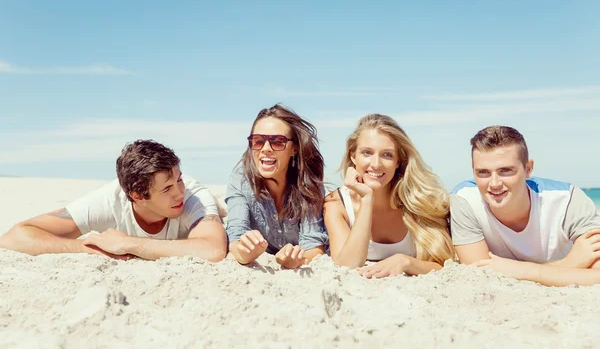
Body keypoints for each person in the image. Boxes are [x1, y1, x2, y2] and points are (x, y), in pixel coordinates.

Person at [0, 140, 227, 262]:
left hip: (204, 212)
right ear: (137, 195)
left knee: (214, 207)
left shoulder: (191, 195)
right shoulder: (109, 200)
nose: (179, 192)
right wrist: (89, 249)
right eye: (167, 188)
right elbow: (15, 236)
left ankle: (217, 206)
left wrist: (130, 243)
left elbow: (213, 249)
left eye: (179, 180)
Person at [451, 125, 600, 284]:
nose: (494, 183)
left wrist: (521, 271)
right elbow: (480, 275)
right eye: (483, 172)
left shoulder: (568, 199)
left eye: (505, 170)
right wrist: (569, 264)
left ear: (528, 169)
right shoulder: (464, 199)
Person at [323, 114, 455, 278]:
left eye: (387, 155)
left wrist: (405, 261)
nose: (376, 164)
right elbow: (346, 265)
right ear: (353, 156)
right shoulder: (336, 204)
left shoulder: (418, 201)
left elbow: (445, 265)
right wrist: (367, 200)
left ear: (398, 161)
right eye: (367, 153)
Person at [225, 104, 328, 269]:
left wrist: (294, 259)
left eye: (278, 142)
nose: (266, 149)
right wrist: (244, 254)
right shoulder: (241, 179)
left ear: (294, 148)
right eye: (258, 141)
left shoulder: (308, 182)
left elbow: (314, 247)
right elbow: (236, 235)